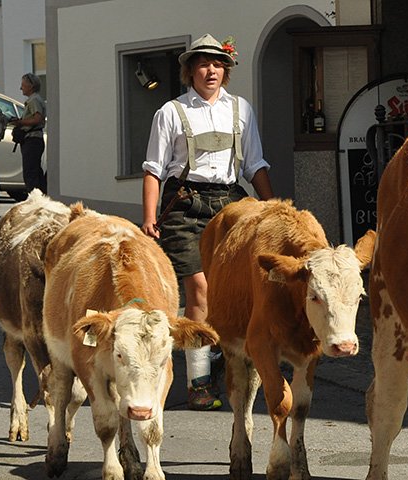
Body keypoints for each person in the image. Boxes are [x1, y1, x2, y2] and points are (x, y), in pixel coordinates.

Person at [141, 33, 274, 410]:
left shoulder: (241, 110)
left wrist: (276, 208)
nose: (210, 70)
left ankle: (230, 360)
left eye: (217, 64)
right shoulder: (170, 112)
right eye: (202, 63)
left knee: (234, 287)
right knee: (199, 289)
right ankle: (198, 383)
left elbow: (254, 165)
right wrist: (150, 218)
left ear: (225, 70)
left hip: (230, 204)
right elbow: (153, 169)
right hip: (184, 205)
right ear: (190, 71)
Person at [11, 73, 47, 194]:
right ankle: (40, 196)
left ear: (31, 86)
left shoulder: (34, 100)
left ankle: (35, 197)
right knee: (34, 170)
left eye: (23, 85)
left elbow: (37, 119)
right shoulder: (34, 99)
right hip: (32, 139)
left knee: (30, 171)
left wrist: (20, 122)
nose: (21, 88)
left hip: (32, 139)